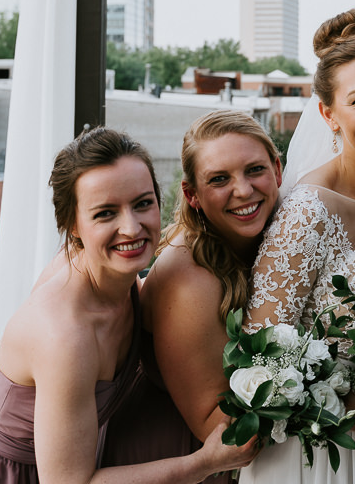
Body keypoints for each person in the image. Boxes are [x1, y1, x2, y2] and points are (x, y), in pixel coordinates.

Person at [0, 127, 257, 484]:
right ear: (72, 224)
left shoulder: (117, 276)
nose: (131, 227)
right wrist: (204, 462)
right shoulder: (65, 336)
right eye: (105, 214)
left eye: (143, 203)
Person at [243, 9, 355, 484]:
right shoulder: (307, 211)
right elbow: (258, 357)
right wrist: (330, 397)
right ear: (328, 113)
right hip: (320, 451)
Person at [117, 110, 284, 481]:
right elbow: (217, 430)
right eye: (220, 179)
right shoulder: (188, 279)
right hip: (184, 459)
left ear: (277, 169)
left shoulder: (280, 235)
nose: (243, 190)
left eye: (254, 169)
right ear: (192, 194)